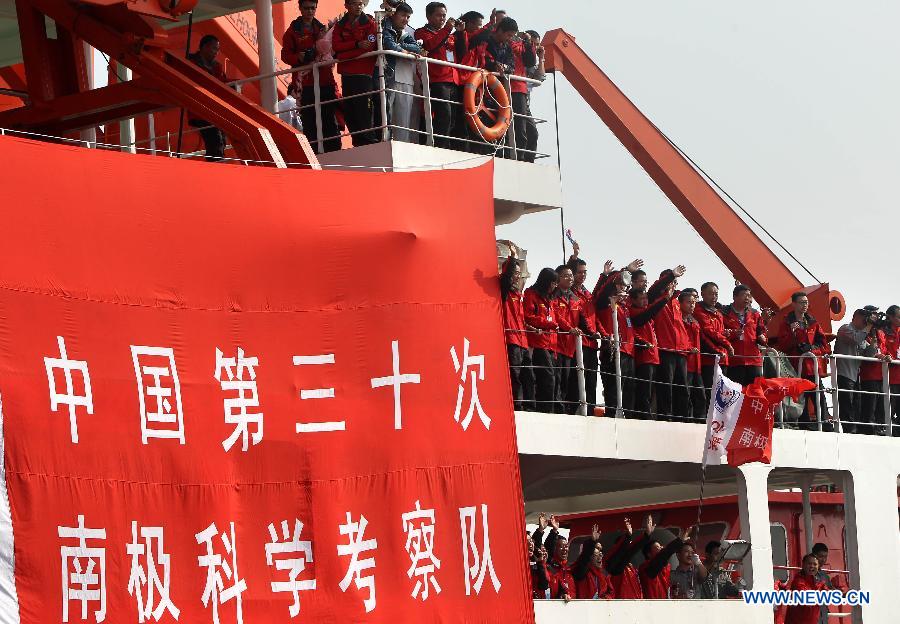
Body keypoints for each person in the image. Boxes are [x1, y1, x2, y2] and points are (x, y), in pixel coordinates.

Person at [595, 263, 680, 418]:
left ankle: (627, 421)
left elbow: (650, 297)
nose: (624, 287)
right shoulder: (604, 303)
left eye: (624, 285)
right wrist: (625, 271)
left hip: (629, 352)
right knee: (613, 389)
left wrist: (670, 280)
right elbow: (605, 289)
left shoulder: (625, 307)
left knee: (629, 390)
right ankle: (611, 419)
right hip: (613, 351)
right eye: (621, 284)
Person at [281, 0, 342, 152]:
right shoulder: (291, 32)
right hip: (305, 84)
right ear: (300, 8)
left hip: (325, 80)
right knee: (309, 120)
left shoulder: (322, 29)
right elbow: (286, 56)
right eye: (306, 8)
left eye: (312, 8)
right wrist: (299, 57)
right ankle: (313, 152)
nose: (310, 11)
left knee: (329, 117)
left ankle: (333, 150)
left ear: (316, 8)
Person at [415, 3, 467, 149]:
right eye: (439, 15)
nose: (443, 18)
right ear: (428, 16)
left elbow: (462, 55)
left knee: (453, 118)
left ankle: (446, 146)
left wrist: (461, 33)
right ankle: (439, 147)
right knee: (444, 115)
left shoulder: (450, 36)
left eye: (444, 15)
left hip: (453, 80)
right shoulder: (421, 33)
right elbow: (430, 46)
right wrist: (447, 29)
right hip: (437, 80)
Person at [778, 292, 832, 431]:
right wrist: (793, 335)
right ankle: (803, 423)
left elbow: (824, 346)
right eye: (802, 302)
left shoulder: (813, 322)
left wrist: (811, 349)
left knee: (818, 395)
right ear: (794, 304)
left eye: (806, 302)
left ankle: (824, 422)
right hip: (795, 366)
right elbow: (782, 345)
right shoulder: (786, 323)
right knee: (799, 397)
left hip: (813, 366)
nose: (805, 305)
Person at [333, 0, 378, 146]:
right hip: (347, 75)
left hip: (364, 74)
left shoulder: (370, 23)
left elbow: (369, 47)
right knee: (350, 112)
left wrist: (344, 54)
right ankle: (357, 144)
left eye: (361, 3)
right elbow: (336, 47)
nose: (358, 6)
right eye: (354, 3)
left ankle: (369, 144)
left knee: (364, 112)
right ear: (346, 5)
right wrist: (356, 44)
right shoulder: (340, 25)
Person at [568, 255, 610, 413]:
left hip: (592, 343)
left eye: (585, 272)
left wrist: (603, 334)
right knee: (576, 380)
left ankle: (591, 409)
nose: (583, 275)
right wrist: (573, 257)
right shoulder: (569, 292)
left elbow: (594, 318)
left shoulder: (586, 294)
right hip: (577, 343)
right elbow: (582, 318)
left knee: (591, 381)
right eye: (579, 272)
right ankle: (572, 410)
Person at [380, 3, 424, 142]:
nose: (406, 19)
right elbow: (388, 44)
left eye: (408, 17)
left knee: (404, 120)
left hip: (406, 80)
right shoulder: (382, 26)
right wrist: (402, 49)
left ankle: (402, 146)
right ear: (393, 13)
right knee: (385, 116)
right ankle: (385, 144)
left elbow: (417, 48)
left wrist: (399, 46)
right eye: (403, 15)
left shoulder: (407, 32)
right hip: (388, 77)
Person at [833, 308, 881, 433]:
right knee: (846, 405)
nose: (865, 322)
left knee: (856, 405)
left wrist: (873, 343)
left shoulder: (862, 334)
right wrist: (869, 326)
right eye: (864, 319)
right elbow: (856, 339)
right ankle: (849, 430)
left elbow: (869, 356)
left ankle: (855, 429)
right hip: (844, 373)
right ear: (855, 318)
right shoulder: (845, 329)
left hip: (855, 375)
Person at [500, 251, 534, 411]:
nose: (517, 277)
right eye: (515, 273)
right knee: (515, 374)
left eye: (519, 274)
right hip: (512, 339)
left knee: (528, 375)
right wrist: (513, 258)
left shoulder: (518, 294)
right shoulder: (504, 292)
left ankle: (529, 405)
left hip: (523, 340)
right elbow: (505, 278)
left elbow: (521, 319)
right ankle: (517, 405)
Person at [187, 35, 229, 161]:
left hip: (214, 109)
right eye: (213, 49)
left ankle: (217, 164)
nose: (216, 52)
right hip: (200, 109)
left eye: (217, 49)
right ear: (204, 47)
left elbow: (223, 85)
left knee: (221, 137)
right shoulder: (191, 63)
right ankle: (215, 167)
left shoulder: (217, 67)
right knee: (214, 138)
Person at [524, 268, 560, 412]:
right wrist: (549, 324)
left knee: (553, 380)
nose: (555, 286)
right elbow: (528, 316)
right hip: (538, 344)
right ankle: (545, 411)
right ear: (546, 282)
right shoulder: (530, 294)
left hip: (551, 345)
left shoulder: (550, 298)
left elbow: (557, 319)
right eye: (553, 282)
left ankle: (548, 410)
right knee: (546, 379)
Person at [721, 284, 771, 386]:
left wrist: (763, 338)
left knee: (753, 392)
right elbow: (719, 334)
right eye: (744, 295)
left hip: (753, 360)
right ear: (735, 297)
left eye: (749, 295)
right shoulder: (724, 313)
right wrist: (733, 334)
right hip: (734, 360)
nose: (747, 298)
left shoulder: (755, 314)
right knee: (735, 393)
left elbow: (761, 332)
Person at [553, 265, 584, 414]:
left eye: (571, 275)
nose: (570, 278)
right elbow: (557, 317)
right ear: (557, 278)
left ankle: (567, 408)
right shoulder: (553, 296)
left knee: (568, 379)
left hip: (571, 346)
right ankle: (557, 407)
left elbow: (584, 320)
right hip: (556, 344)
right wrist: (569, 328)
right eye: (566, 275)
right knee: (557, 378)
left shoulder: (576, 299)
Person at [694, 282, 733, 397]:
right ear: (702, 294)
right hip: (709, 358)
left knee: (722, 393)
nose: (714, 297)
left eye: (716, 294)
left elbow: (718, 333)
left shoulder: (718, 313)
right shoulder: (698, 311)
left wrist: (726, 335)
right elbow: (709, 331)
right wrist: (727, 344)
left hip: (723, 358)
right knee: (710, 392)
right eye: (711, 294)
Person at [857, 311, 891, 435]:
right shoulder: (863, 332)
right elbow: (866, 352)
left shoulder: (880, 333)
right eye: (873, 316)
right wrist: (878, 354)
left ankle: (880, 427)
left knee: (882, 404)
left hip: (882, 374)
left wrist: (887, 356)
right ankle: (868, 429)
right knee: (869, 404)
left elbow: (885, 349)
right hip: (869, 375)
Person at [630, 288, 661, 420]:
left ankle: (647, 413)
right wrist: (643, 342)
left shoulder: (646, 314)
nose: (645, 301)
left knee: (650, 389)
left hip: (653, 356)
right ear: (634, 300)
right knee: (644, 389)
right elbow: (634, 333)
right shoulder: (634, 312)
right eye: (642, 298)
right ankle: (643, 415)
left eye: (646, 298)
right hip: (644, 357)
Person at [639, 518, 688, 599]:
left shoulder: (667, 566)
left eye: (661, 546)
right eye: (657, 547)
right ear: (649, 554)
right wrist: (679, 541)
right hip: (651, 606)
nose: (661, 548)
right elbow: (663, 555)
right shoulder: (645, 567)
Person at [679, 289, 707, 420]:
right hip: (685, 362)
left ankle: (700, 419)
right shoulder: (678, 319)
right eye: (688, 302)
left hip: (697, 364)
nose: (692, 305)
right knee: (685, 393)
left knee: (700, 394)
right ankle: (686, 419)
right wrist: (688, 348)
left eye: (694, 302)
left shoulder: (694, 321)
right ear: (680, 303)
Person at [603, 517, 645, 598]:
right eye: (626, 545)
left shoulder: (632, 569)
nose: (629, 549)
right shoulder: (613, 567)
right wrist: (628, 536)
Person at [521, 29, 545, 162]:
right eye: (533, 44)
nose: (535, 47)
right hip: (513, 96)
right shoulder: (520, 53)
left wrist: (541, 58)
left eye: (537, 45)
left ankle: (529, 162)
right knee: (522, 133)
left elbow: (539, 78)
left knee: (533, 133)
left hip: (525, 100)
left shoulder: (534, 60)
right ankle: (519, 158)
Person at [572, 524, 614, 599]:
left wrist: (605, 598)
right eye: (597, 551)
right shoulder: (581, 571)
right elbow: (584, 558)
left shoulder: (604, 574)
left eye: (601, 551)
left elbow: (610, 593)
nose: (600, 554)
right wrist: (592, 541)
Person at [784, 554, 828, 624]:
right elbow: (806, 597)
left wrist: (844, 595)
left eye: (815, 564)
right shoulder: (798, 581)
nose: (812, 566)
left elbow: (828, 593)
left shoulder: (819, 581)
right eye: (809, 563)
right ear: (803, 565)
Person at [543, 515, 574, 600]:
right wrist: (554, 531)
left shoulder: (568, 570)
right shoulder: (551, 566)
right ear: (555, 549)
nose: (565, 549)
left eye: (566, 546)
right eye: (561, 547)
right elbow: (548, 547)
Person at [526, 530, 550, 599]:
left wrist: (540, 562)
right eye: (526, 541)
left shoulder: (538, 563)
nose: (530, 544)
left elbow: (544, 585)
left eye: (531, 541)